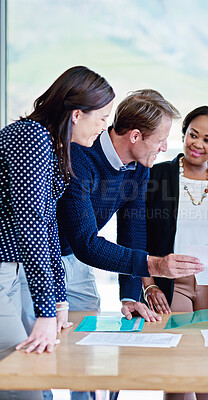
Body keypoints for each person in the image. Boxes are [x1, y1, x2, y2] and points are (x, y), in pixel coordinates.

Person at [0, 65, 115, 400]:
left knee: (31, 372)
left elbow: (49, 227)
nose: (104, 126)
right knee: (24, 382)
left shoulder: (53, 146)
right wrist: (46, 313)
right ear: (77, 114)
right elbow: (32, 225)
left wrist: (57, 300)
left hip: (12, 270)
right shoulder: (31, 138)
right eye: (103, 116)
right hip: (4, 269)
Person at [57, 90, 205, 323]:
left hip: (77, 259)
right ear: (135, 136)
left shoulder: (139, 167)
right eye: (160, 139)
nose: (165, 147)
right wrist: (155, 265)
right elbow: (85, 242)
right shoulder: (80, 155)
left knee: (83, 334)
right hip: (45, 257)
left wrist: (130, 296)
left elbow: (132, 231)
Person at [140, 106, 208, 400]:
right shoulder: (155, 177)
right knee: (179, 368)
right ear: (183, 134)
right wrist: (149, 286)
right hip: (174, 283)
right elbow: (141, 237)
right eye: (192, 135)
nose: (197, 144)